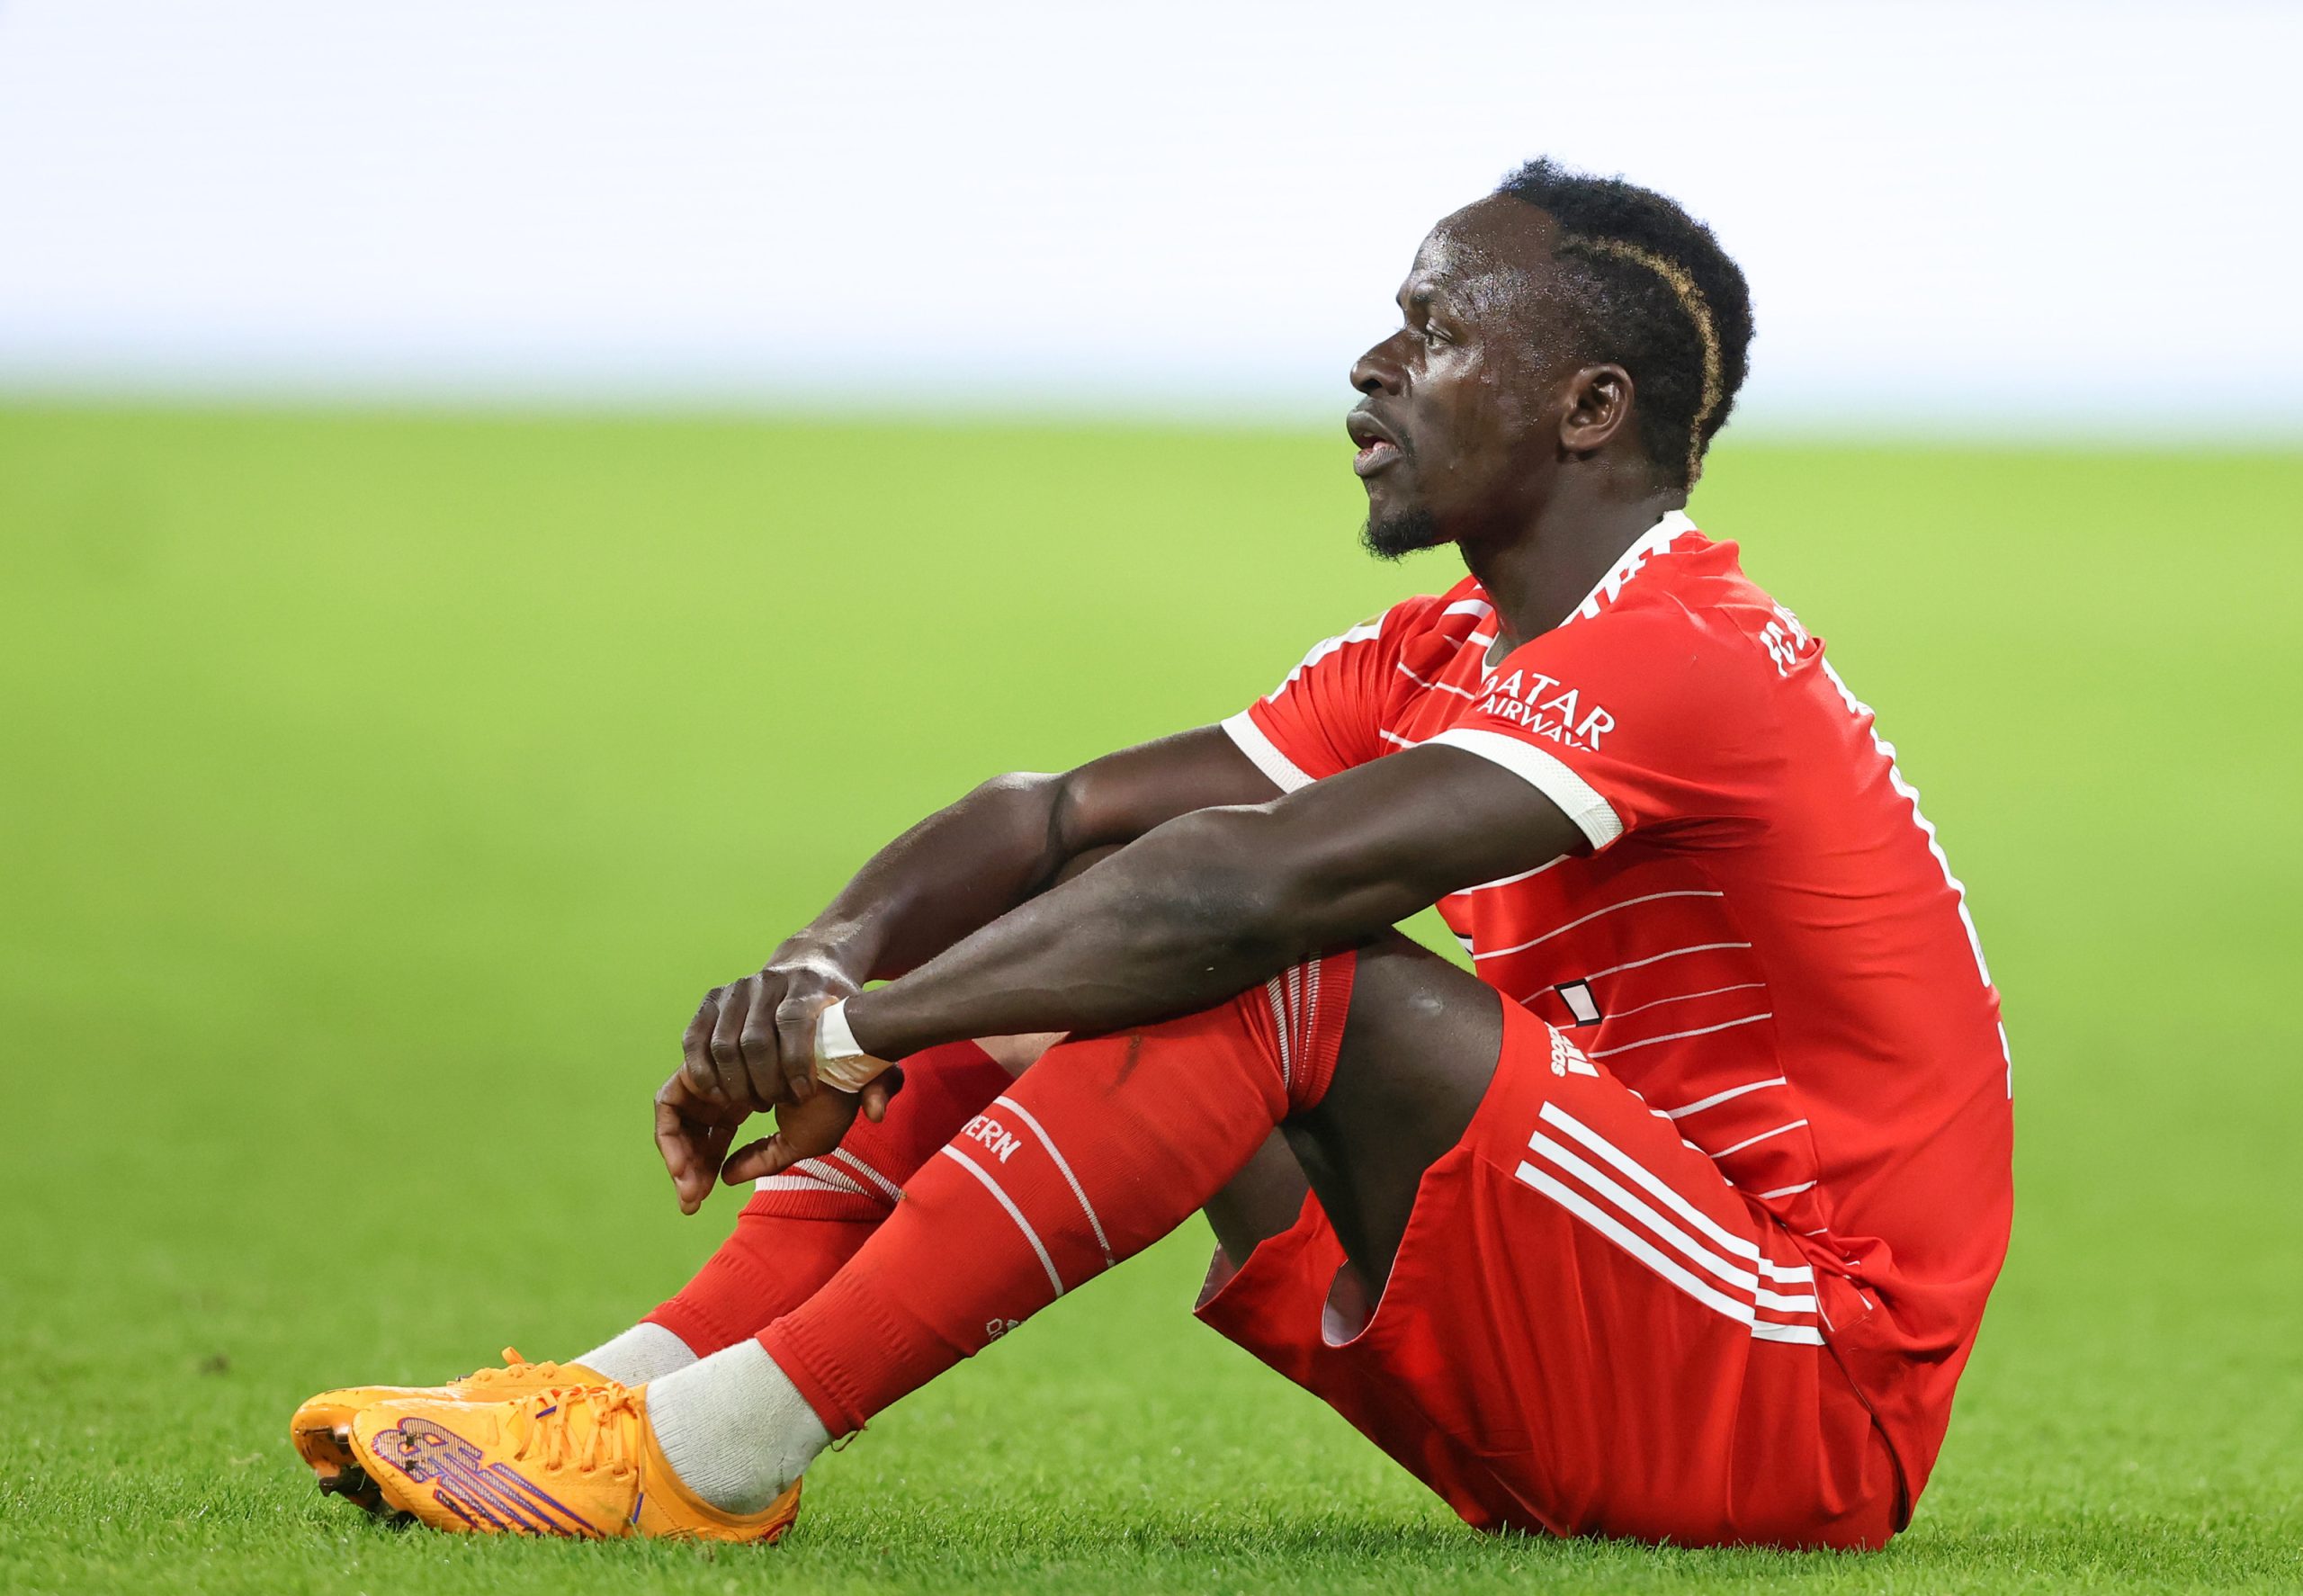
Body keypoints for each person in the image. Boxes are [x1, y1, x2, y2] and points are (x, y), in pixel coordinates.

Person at [291, 157, 2011, 1550]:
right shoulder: (1441, 657)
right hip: (1604, 1335)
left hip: (1803, 1394)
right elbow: (1049, 818)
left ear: (1588, 407)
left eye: (1433, 330)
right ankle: (631, 1390)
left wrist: (855, 1036)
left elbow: (1244, 895)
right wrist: (825, 960)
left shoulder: (1688, 654)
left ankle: (707, 1457)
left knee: (1259, 959)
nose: (1374, 364)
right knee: (1086, 913)